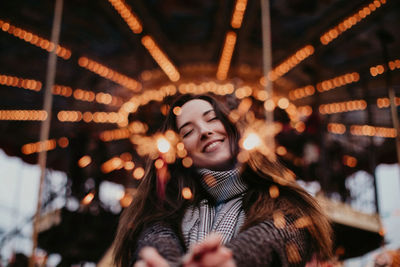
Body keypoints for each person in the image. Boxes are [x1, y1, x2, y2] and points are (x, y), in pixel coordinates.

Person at [113, 94, 332, 267]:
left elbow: (277, 234)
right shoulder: (166, 211)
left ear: (232, 126)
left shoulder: (280, 203)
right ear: (179, 150)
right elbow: (155, 238)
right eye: (188, 131)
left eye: (212, 119)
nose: (205, 131)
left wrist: (234, 257)